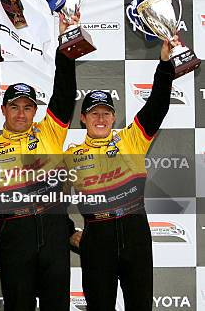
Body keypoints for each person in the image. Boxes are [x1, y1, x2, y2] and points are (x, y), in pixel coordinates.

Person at [65, 36, 180, 311]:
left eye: (106, 113)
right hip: (96, 238)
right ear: (83, 119)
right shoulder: (71, 155)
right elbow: (48, 198)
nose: (101, 119)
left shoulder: (132, 139)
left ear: (114, 117)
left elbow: (158, 105)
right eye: (94, 114)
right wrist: (67, 232)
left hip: (134, 232)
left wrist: (164, 64)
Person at [0, 14, 78, 310]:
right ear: (4, 109)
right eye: (15, 107)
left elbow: (64, 93)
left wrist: (66, 42)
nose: (21, 113)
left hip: (52, 230)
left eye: (28, 107)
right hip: (15, 233)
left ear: (35, 111)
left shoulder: (50, 133)